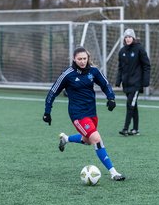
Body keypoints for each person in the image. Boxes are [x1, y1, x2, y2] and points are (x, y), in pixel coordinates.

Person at [43, 46, 125, 181]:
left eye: (84, 59)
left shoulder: (93, 71)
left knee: (87, 140)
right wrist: (47, 112)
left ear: (88, 58)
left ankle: (66, 139)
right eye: (79, 59)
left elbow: (105, 84)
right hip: (77, 114)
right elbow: (53, 92)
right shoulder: (67, 74)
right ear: (74, 59)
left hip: (91, 112)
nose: (82, 61)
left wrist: (111, 97)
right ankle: (113, 172)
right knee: (97, 139)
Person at [115, 28, 151, 136]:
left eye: (130, 37)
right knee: (133, 106)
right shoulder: (122, 51)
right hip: (127, 84)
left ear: (133, 38)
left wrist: (145, 81)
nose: (128, 39)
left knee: (130, 104)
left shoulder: (139, 49)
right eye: (126, 37)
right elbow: (120, 68)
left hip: (136, 83)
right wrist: (118, 80)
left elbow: (146, 65)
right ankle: (135, 129)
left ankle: (125, 128)